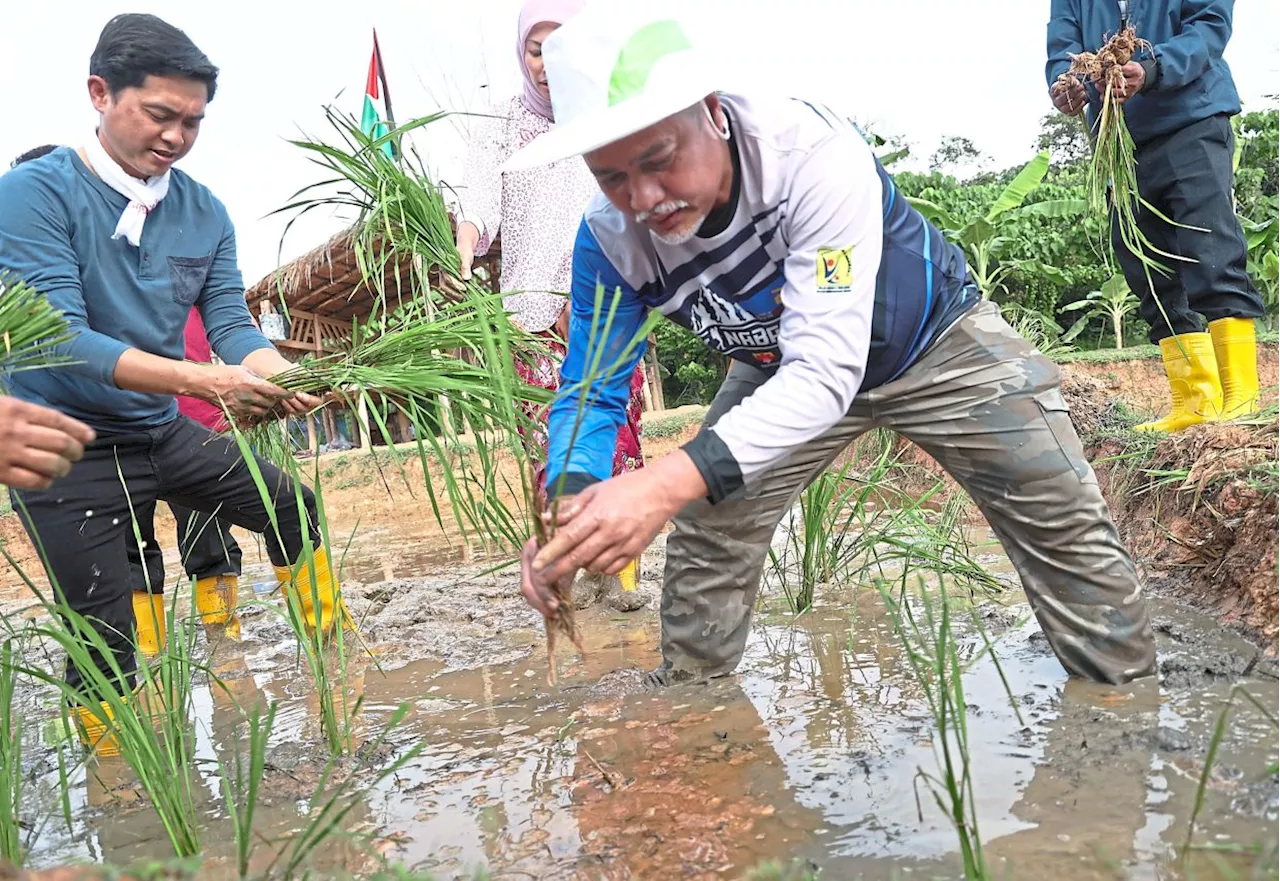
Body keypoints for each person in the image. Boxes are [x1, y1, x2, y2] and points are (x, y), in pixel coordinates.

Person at [506, 4, 1157, 688]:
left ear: (711, 110)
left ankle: (1125, 707)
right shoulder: (608, 241)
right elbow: (591, 390)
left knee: (1055, 505)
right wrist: (573, 502)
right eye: (610, 175)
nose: (643, 197)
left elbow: (826, 374)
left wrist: (659, 484)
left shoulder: (807, 157)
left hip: (932, 343)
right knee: (710, 526)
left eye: (658, 160)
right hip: (777, 364)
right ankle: (698, 725)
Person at [0, 14, 349, 751]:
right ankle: (119, 787)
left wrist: (285, 377)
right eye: (161, 114)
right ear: (100, 92)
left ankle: (337, 674)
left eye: (193, 121)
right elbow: (62, 339)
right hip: (61, 445)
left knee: (294, 508)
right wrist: (205, 379)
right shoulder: (33, 195)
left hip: (158, 429)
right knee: (104, 632)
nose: (177, 136)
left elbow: (232, 325)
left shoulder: (203, 212)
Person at [9, 146, 243, 650]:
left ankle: (225, 645)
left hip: (190, 421)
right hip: (97, 437)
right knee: (129, 551)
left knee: (209, 537)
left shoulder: (146, 253)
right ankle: (151, 657)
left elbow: (229, 321)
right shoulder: (41, 291)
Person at [454, 0, 647, 593]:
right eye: (536, 50)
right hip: (529, 317)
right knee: (549, 441)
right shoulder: (504, 123)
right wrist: (463, 245)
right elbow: (478, 199)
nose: (545, 65)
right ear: (521, 53)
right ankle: (573, 555)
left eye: (558, 49)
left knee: (615, 426)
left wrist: (596, 290)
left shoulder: (607, 115)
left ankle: (621, 571)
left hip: (610, 302)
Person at [1046, 0, 1265, 433]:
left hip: (1191, 120)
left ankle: (1242, 395)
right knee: (1144, 264)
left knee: (1210, 250)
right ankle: (1194, 400)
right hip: (1119, 139)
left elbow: (1209, 26)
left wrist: (1152, 67)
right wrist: (1065, 84)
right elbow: (1062, 48)